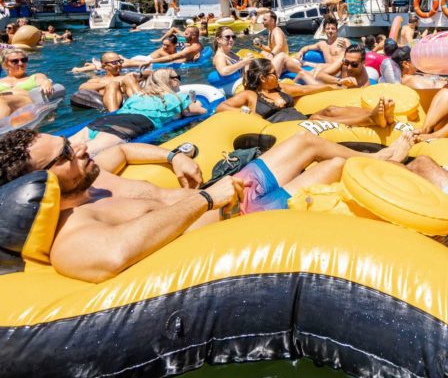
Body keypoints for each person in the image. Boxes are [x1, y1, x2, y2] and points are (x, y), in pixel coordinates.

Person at [0, 126, 414, 283]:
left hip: (230, 197)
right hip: (242, 223)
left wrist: (173, 156)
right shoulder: (71, 229)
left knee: (307, 143)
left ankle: (384, 158)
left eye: (70, 142)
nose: (81, 149)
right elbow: (108, 257)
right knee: (336, 169)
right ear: (37, 183)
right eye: (66, 154)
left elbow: (123, 150)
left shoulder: (93, 176)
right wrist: (204, 199)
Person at [217, 58, 396, 126]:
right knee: (318, 118)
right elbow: (222, 107)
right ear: (263, 78)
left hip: (302, 120)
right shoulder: (250, 96)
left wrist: (337, 84)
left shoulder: (282, 88)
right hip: (285, 130)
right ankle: (370, 119)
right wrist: (247, 113)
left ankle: (375, 113)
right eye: (273, 73)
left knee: (331, 109)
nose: (277, 75)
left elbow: (307, 88)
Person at [72, 68, 206, 155]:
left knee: (63, 148)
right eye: (178, 77)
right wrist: (194, 102)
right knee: (83, 155)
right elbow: (200, 110)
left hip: (107, 120)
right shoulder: (177, 98)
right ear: (172, 81)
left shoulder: (139, 95)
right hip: (131, 124)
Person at [77, 52, 142, 111]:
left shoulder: (128, 76)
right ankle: (113, 115)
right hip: (113, 105)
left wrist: (138, 75)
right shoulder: (98, 80)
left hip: (132, 102)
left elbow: (149, 73)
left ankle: (142, 106)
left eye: (120, 61)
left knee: (129, 79)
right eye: (115, 63)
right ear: (104, 65)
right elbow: (82, 87)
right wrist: (107, 84)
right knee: (112, 85)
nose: (119, 64)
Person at [212, 26, 254, 93]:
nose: (231, 40)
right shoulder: (220, 56)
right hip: (232, 87)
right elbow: (223, 71)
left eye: (233, 37)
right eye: (227, 37)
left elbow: (242, 70)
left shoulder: (230, 53)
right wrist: (243, 62)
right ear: (218, 39)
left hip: (240, 82)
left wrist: (247, 62)